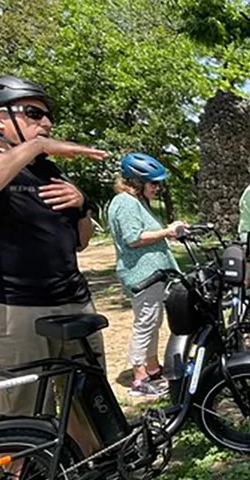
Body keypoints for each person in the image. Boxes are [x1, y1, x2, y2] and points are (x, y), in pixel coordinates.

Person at [0, 76, 108, 455]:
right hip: (16, 308)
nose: (46, 124)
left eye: (47, 117)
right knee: (24, 411)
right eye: (34, 114)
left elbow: (80, 241)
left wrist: (81, 203)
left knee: (86, 398)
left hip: (73, 301)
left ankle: (85, 479)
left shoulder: (48, 171)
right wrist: (34, 147)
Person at [107, 153, 185, 397]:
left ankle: (152, 367)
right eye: (154, 183)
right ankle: (140, 377)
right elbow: (133, 238)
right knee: (146, 323)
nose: (158, 188)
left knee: (153, 321)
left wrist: (172, 232)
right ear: (137, 182)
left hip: (154, 273)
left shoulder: (137, 202)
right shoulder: (125, 202)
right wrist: (168, 232)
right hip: (142, 275)